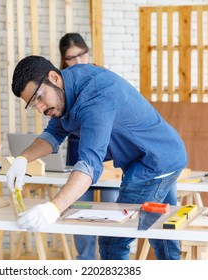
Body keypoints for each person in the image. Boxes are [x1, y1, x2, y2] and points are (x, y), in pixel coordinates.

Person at [6, 55, 187, 260]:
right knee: (162, 229)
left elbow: (89, 165)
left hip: (155, 163)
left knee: (113, 241)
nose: (39, 108)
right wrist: (22, 159)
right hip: (157, 156)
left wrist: (53, 208)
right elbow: (53, 135)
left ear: (54, 78)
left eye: (39, 97)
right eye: (32, 104)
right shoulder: (63, 93)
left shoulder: (95, 98)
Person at [59, 33, 119, 260]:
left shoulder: (100, 76)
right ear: (63, 60)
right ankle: (84, 260)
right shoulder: (61, 84)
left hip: (105, 153)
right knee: (78, 208)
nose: (78, 62)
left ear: (87, 52)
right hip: (76, 153)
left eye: (81, 54)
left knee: (111, 205)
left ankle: (109, 260)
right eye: (71, 58)